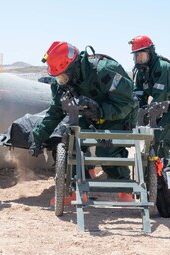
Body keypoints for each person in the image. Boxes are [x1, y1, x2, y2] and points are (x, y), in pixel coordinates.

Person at [30, 41, 137, 204]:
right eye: (58, 77)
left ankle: (125, 191)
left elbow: (127, 103)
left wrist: (100, 110)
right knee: (71, 142)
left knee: (106, 152)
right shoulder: (63, 81)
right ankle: (77, 190)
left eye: (63, 76)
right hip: (89, 115)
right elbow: (55, 111)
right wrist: (38, 137)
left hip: (118, 115)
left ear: (73, 68)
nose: (60, 80)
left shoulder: (105, 70)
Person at [129, 35, 170, 159]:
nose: (138, 59)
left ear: (150, 53)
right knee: (152, 141)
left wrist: (147, 116)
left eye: (141, 55)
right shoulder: (141, 72)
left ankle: (166, 174)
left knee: (160, 142)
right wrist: (138, 116)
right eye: (136, 56)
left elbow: (160, 98)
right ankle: (153, 173)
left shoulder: (162, 67)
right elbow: (139, 96)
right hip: (165, 107)